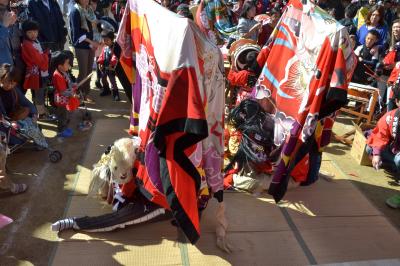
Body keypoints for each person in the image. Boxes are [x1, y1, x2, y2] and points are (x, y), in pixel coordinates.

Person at [0, 64, 29, 195]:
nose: (10, 85)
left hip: (5, 126)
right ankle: (7, 187)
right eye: (8, 82)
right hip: (5, 126)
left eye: (13, 83)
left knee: (3, 154)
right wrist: (9, 123)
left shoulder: (13, 91)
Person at [69, 0, 99, 103]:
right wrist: (91, 42)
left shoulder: (89, 9)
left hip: (91, 44)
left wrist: (95, 40)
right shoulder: (75, 11)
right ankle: (77, 94)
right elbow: (76, 33)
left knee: (89, 71)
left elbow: (93, 27)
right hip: (81, 45)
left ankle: (86, 93)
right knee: (83, 72)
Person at [366, 84, 400, 174]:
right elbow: (380, 135)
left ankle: (394, 165)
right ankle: (392, 165)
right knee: (370, 149)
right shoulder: (390, 116)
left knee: (399, 160)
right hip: (394, 150)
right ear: (397, 101)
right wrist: (376, 154)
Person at [21, 19, 50, 118]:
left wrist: (43, 55)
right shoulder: (27, 44)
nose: (33, 34)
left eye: (35, 31)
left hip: (38, 73)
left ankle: (38, 111)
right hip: (36, 73)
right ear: (25, 33)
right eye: (30, 32)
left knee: (38, 93)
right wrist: (46, 54)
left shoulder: (33, 41)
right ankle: (41, 114)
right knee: (39, 94)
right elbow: (39, 61)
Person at [51, 51, 76, 138]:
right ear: (60, 66)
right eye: (67, 63)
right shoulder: (57, 75)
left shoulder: (64, 71)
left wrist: (73, 85)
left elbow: (68, 82)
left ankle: (64, 128)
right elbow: (62, 91)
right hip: (60, 99)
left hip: (64, 98)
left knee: (66, 114)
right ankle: (61, 131)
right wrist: (71, 93)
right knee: (62, 116)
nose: (69, 65)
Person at [97, 31, 120, 101]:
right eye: (104, 40)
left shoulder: (115, 47)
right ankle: (106, 90)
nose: (105, 41)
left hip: (111, 68)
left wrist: (112, 64)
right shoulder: (105, 48)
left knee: (112, 81)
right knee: (103, 79)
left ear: (112, 39)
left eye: (107, 40)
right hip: (105, 67)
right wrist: (100, 63)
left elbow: (115, 57)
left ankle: (116, 94)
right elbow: (101, 56)